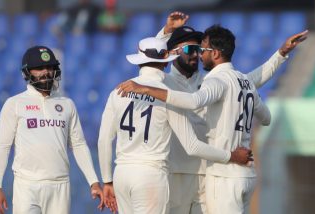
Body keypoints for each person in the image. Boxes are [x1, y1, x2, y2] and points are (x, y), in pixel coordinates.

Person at [117, 25, 308, 214]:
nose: (196, 54)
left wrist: (280, 55)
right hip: (176, 173)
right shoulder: (164, 82)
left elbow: (247, 82)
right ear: (172, 54)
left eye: (199, 48)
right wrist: (165, 32)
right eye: (190, 49)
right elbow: (150, 61)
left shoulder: (211, 81)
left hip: (209, 172)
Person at [98, 37, 254, 214]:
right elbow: (192, 146)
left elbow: (104, 140)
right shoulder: (167, 96)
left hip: (122, 174)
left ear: (139, 60)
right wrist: (230, 156)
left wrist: (107, 181)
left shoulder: (118, 91)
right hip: (151, 175)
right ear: (166, 62)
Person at [0, 45, 104, 214]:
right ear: (27, 72)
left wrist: (94, 182)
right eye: (39, 68)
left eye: (49, 67)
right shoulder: (15, 104)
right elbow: (3, 146)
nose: (45, 72)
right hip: (27, 185)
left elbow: (78, 145)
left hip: (60, 185)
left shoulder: (67, 104)